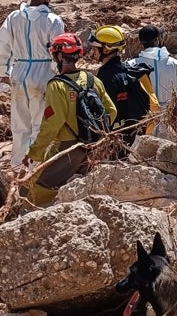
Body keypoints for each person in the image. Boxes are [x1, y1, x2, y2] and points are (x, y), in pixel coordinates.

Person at [21, 33, 117, 205]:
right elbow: (111, 111)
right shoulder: (93, 80)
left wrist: (34, 153)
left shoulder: (57, 85)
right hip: (94, 147)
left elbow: (52, 125)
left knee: (33, 189)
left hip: (68, 148)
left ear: (59, 56)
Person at [0, 0, 65, 168]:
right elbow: (57, 51)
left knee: (19, 125)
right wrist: (58, 74)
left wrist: (2, 73)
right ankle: (35, 168)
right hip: (43, 74)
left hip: (19, 72)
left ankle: (18, 166)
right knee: (40, 124)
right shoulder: (53, 20)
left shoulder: (14, 17)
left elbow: (2, 45)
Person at [89, 25, 159, 142]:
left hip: (115, 139)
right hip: (130, 134)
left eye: (95, 48)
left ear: (106, 49)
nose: (93, 51)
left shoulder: (107, 76)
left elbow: (106, 112)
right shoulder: (126, 70)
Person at [136, 25, 177, 138]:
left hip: (143, 121)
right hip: (168, 120)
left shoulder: (133, 65)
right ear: (157, 40)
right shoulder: (173, 63)